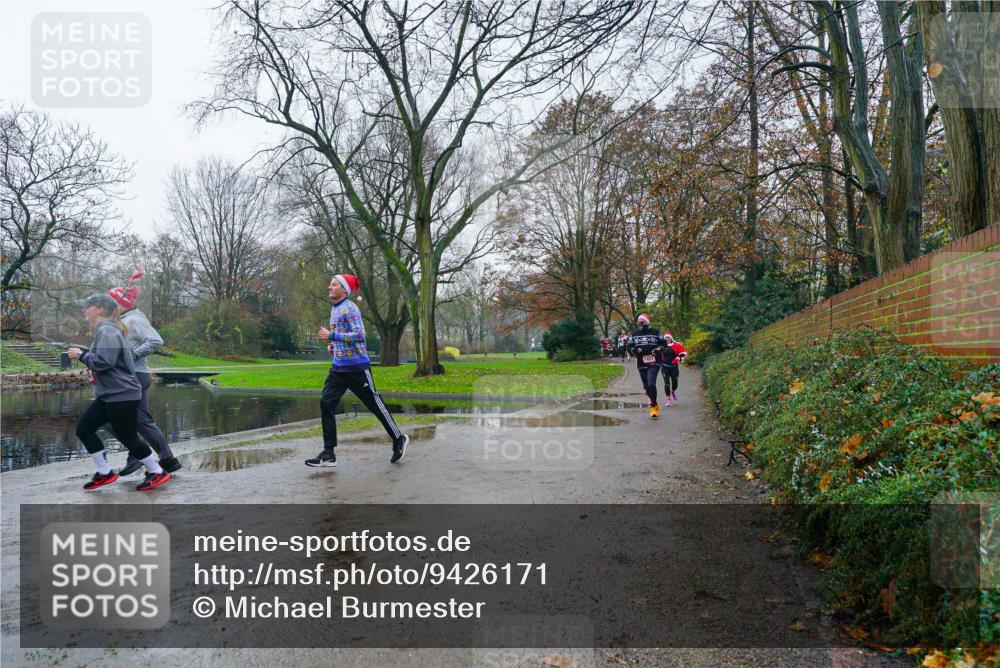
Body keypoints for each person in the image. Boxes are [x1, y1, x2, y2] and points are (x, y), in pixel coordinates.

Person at [67, 294, 172, 491]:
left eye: (87, 307)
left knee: (127, 436)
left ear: (98, 309)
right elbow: (105, 359)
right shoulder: (106, 329)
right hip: (111, 394)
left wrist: (81, 355)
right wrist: (86, 356)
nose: (84, 310)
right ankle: (105, 473)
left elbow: (105, 362)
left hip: (121, 394)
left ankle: (157, 472)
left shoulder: (107, 330)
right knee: (84, 429)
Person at [306, 274, 409, 467]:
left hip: (357, 368)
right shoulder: (335, 309)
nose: (329, 288)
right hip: (338, 369)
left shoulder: (350, 308)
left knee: (375, 405)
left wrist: (332, 335)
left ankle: (398, 439)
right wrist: (333, 345)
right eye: (329, 284)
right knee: (326, 402)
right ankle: (328, 453)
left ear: (344, 290)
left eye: (334, 285)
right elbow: (343, 338)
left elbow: (360, 336)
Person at [108, 272, 182, 476]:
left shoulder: (134, 319)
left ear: (120, 304)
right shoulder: (125, 319)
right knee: (140, 420)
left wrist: (133, 355)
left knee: (109, 418)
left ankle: (139, 454)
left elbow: (156, 341)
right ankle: (166, 460)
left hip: (135, 376)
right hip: (134, 375)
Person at [627, 314, 662, 418]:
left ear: (648, 322)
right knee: (647, 387)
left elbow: (664, 343)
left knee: (651, 384)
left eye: (643, 321)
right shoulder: (633, 334)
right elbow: (629, 347)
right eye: (639, 321)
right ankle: (655, 404)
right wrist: (635, 350)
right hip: (641, 363)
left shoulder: (656, 332)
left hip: (654, 362)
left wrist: (658, 349)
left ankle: (653, 406)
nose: (641, 323)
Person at [658, 331, 687, 407]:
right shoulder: (662, 346)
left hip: (674, 367)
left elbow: (683, 353)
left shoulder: (676, 345)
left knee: (675, 383)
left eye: (668, 337)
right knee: (666, 383)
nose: (667, 339)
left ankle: (673, 391)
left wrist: (678, 358)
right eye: (666, 338)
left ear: (671, 338)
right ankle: (668, 399)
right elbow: (656, 354)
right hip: (664, 367)